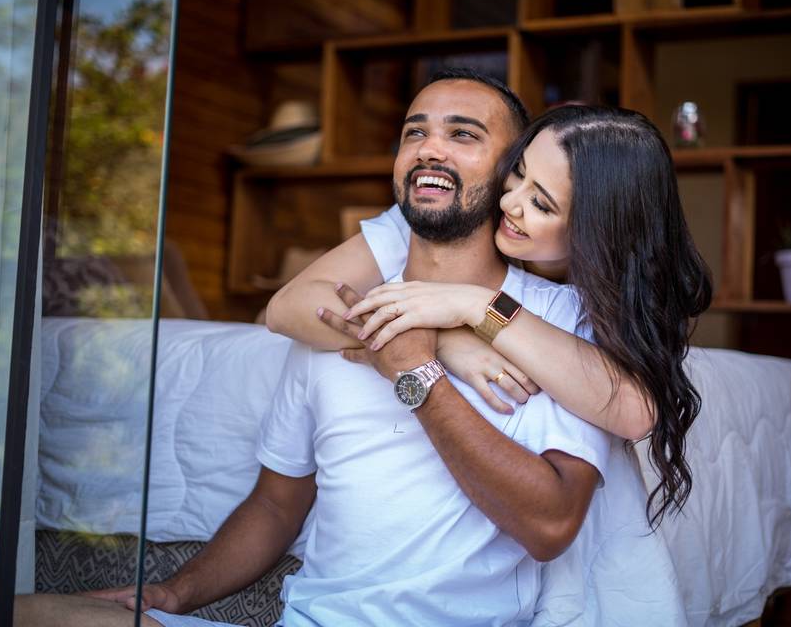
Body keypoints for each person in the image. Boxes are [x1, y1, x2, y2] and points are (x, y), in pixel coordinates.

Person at [0, 70, 620, 627]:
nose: (429, 148)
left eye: (463, 134)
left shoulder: (550, 326)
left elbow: (550, 526)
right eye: (413, 132)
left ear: (514, 175)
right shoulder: (335, 321)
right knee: (12, 613)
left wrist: (419, 373)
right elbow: (274, 502)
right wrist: (171, 593)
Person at [268, 87, 713, 530]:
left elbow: (635, 410)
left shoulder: (598, 293)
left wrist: (478, 306)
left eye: (541, 203)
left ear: (592, 228)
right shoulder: (459, 215)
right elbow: (288, 307)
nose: (509, 202)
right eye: (515, 174)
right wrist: (447, 339)